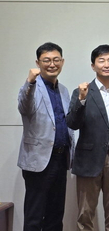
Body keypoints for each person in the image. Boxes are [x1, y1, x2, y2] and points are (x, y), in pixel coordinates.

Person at [66, 44, 109, 231]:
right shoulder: (82, 91)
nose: (106, 64)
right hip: (89, 159)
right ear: (93, 66)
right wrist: (81, 99)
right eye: (101, 60)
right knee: (85, 213)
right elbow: (72, 123)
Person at [17, 42, 75, 231]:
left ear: (62, 62)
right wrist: (30, 82)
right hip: (38, 161)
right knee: (34, 215)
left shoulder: (64, 90)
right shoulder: (30, 87)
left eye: (56, 60)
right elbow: (24, 106)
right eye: (47, 60)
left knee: (56, 214)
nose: (52, 64)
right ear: (38, 62)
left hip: (60, 158)